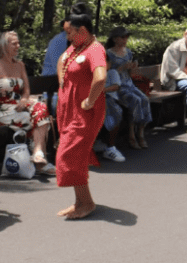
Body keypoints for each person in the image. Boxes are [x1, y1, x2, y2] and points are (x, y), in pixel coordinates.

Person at [55, 11, 107, 219]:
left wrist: (90, 100)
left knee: (68, 155)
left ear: (83, 31)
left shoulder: (95, 50)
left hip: (84, 113)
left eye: (70, 33)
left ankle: (87, 202)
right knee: (76, 155)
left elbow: (101, 77)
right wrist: (62, 80)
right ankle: (80, 202)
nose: (67, 37)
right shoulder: (78, 47)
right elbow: (62, 59)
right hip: (69, 111)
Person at [0, 30, 56, 175]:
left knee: (40, 108)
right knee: (39, 119)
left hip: (19, 105)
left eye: (18, 43)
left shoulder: (20, 65)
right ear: (4, 45)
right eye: (14, 43)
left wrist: (24, 100)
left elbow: (26, 91)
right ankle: (40, 161)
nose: (18, 46)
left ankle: (37, 153)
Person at [105, 25, 153, 148]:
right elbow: (108, 71)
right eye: (123, 37)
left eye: (126, 37)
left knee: (144, 99)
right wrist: (121, 68)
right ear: (115, 39)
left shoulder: (128, 52)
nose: (125, 39)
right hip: (118, 87)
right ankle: (131, 135)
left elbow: (131, 74)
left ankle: (140, 132)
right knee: (135, 101)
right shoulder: (109, 53)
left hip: (129, 84)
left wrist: (132, 67)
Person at [99, 57, 126, 163]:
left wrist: (103, 90)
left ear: (109, 64)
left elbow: (116, 86)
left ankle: (110, 146)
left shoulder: (112, 73)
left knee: (114, 112)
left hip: (108, 98)